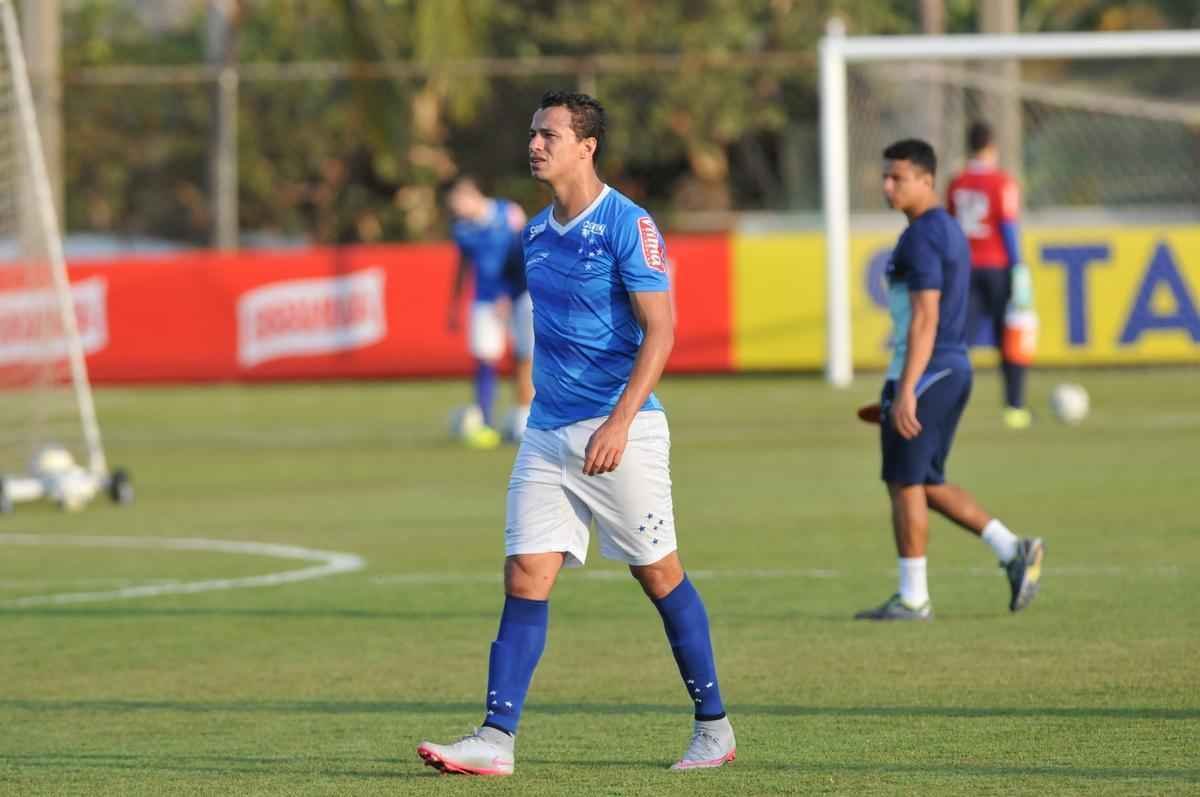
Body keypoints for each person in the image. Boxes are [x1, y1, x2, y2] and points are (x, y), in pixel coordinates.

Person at [417, 91, 735, 774]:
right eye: (533, 133)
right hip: (546, 431)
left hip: (620, 432)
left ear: (587, 147)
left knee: (659, 573)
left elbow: (662, 330)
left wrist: (620, 421)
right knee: (525, 573)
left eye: (550, 135)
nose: (535, 145)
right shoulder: (534, 233)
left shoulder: (628, 223)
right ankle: (495, 738)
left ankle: (714, 727)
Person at [855, 138, 1045, 622]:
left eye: (898, 177)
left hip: (930, 370)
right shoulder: (942, 229)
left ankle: (913, 598)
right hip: (946, 367)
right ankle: (1013, 549)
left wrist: (906, 390)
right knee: (926, 481)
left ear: (926, 180)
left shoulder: (922, 237)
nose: (887, 185)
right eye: (886, 176)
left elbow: (925, 317)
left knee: (904, 482)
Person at [946, 121, 1032, 430]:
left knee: (959, 341)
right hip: (997, 268)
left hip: (965, 269)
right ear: (992, 146)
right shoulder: (1002, 182)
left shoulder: (956, 183)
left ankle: (945, 406)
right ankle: (1015, 408)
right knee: (1010, 336)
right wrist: (1018, 266)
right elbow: (1008, 226)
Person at [445, 175, 534, 448]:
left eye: (458, 202)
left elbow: (524, 253)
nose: (456, 209)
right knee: (485, 358)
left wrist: (508, 292)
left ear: (472, 195)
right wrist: (455, 304)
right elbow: (463, 267)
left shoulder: (509, 213)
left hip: (519, 295)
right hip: (484, 300)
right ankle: (485, 423)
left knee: (525, 356)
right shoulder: (462, 229)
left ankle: (523, 418)